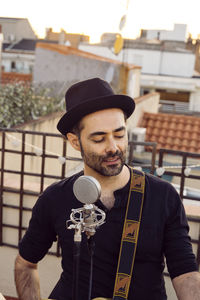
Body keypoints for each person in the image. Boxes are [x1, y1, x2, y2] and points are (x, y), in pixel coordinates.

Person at [14, 78, 200, 300]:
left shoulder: (163, 196)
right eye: (99, 138)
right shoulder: (54, 198)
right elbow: (25, 264)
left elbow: (186, 273)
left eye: (120, 135)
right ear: (75, 142)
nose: (113, 148)